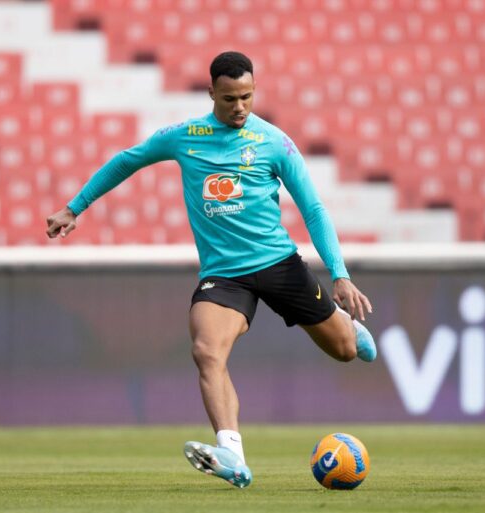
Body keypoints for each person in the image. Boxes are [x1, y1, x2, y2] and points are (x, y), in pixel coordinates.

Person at [46, 51, 376, 489]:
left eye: (247, 97)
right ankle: (233, 456)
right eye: (229, 99)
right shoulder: (186, 136)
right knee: (206, 351)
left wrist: (339, 273)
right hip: (224, 274)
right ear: (211, 94)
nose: (239, 107)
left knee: (344, 351)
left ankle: (347, 327)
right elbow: (128, 159)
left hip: (279, 264)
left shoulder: (274, 142)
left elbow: (313, 208)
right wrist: (74, 208)